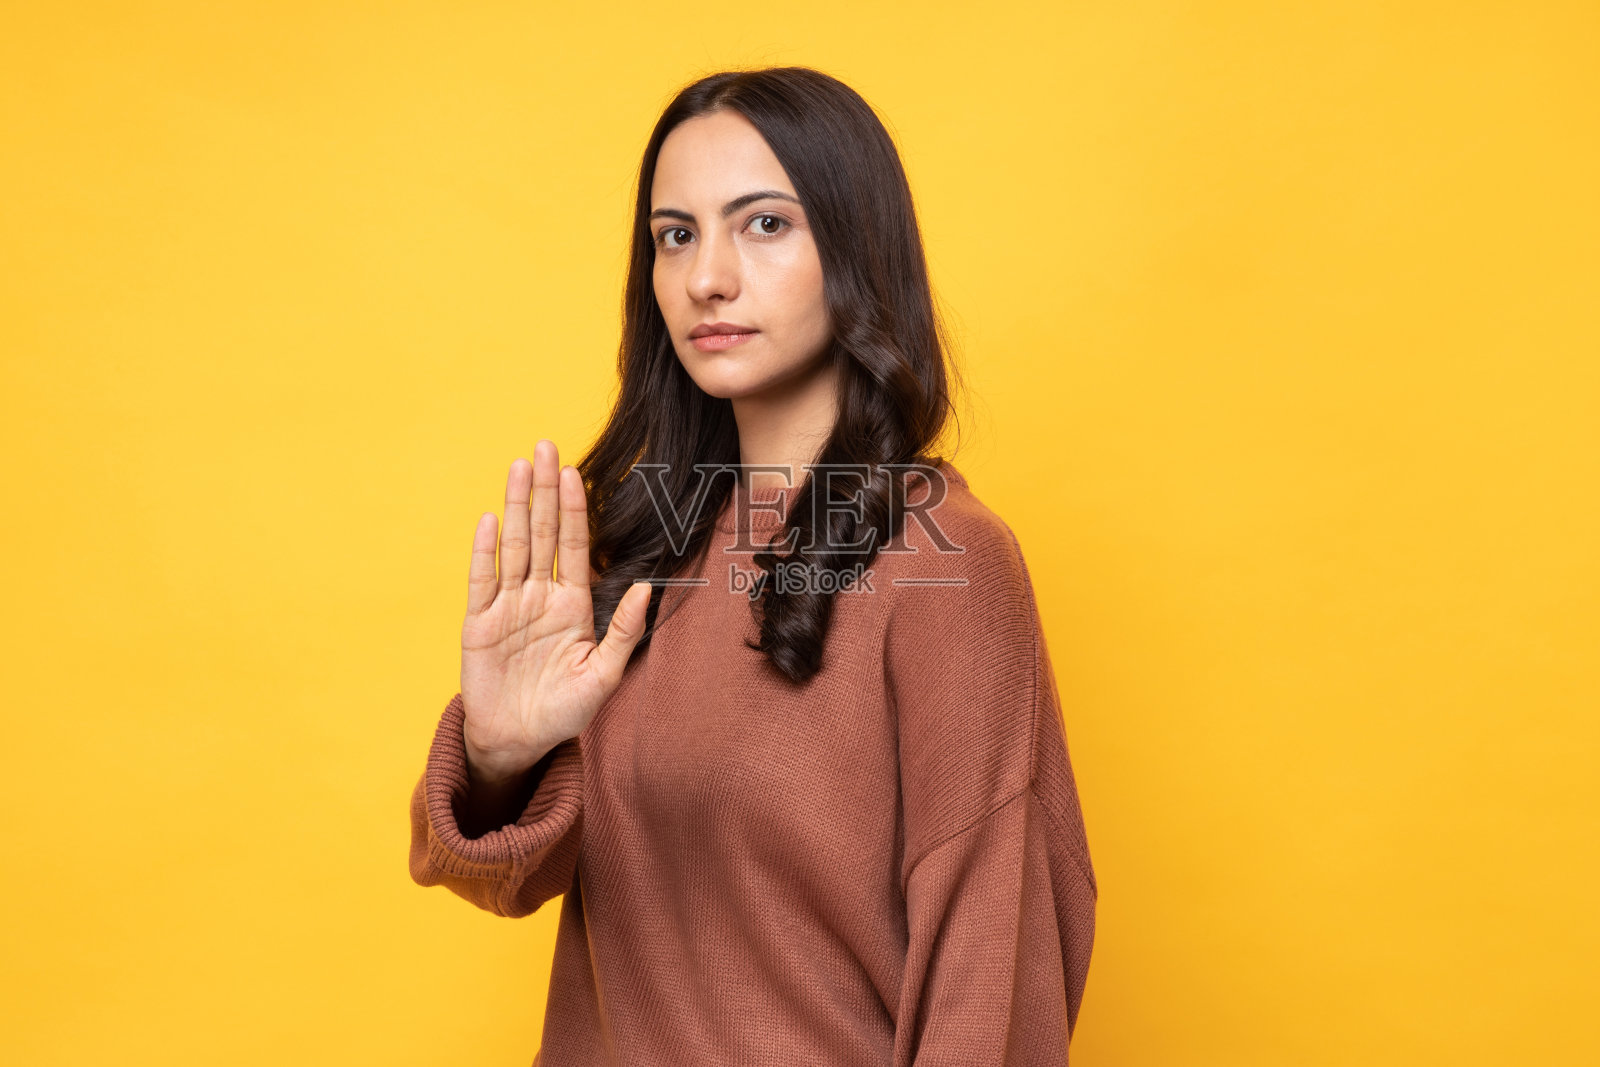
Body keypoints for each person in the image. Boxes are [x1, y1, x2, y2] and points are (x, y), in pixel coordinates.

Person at [408, 66, 1097, 1065]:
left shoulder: (944, 560)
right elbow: (502, 880)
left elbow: (991, 975)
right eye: (675, 234)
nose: (705, 278)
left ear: (856, 251)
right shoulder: (639, 547)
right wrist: (501, 756)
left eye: (764, 224)